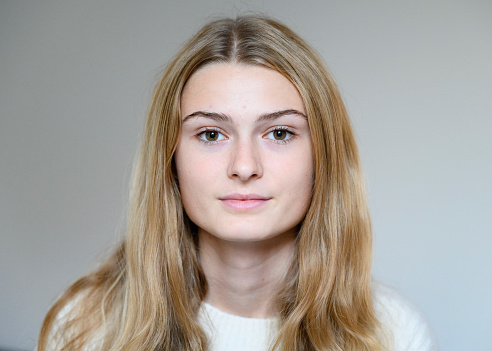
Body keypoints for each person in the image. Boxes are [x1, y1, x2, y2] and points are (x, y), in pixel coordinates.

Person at [37, 15, 437, 351]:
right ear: (169, 159)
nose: (244, 166)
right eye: (211, 134)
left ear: (323, 157)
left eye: (279, 133)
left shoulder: (393, 332)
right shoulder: (85, 325)